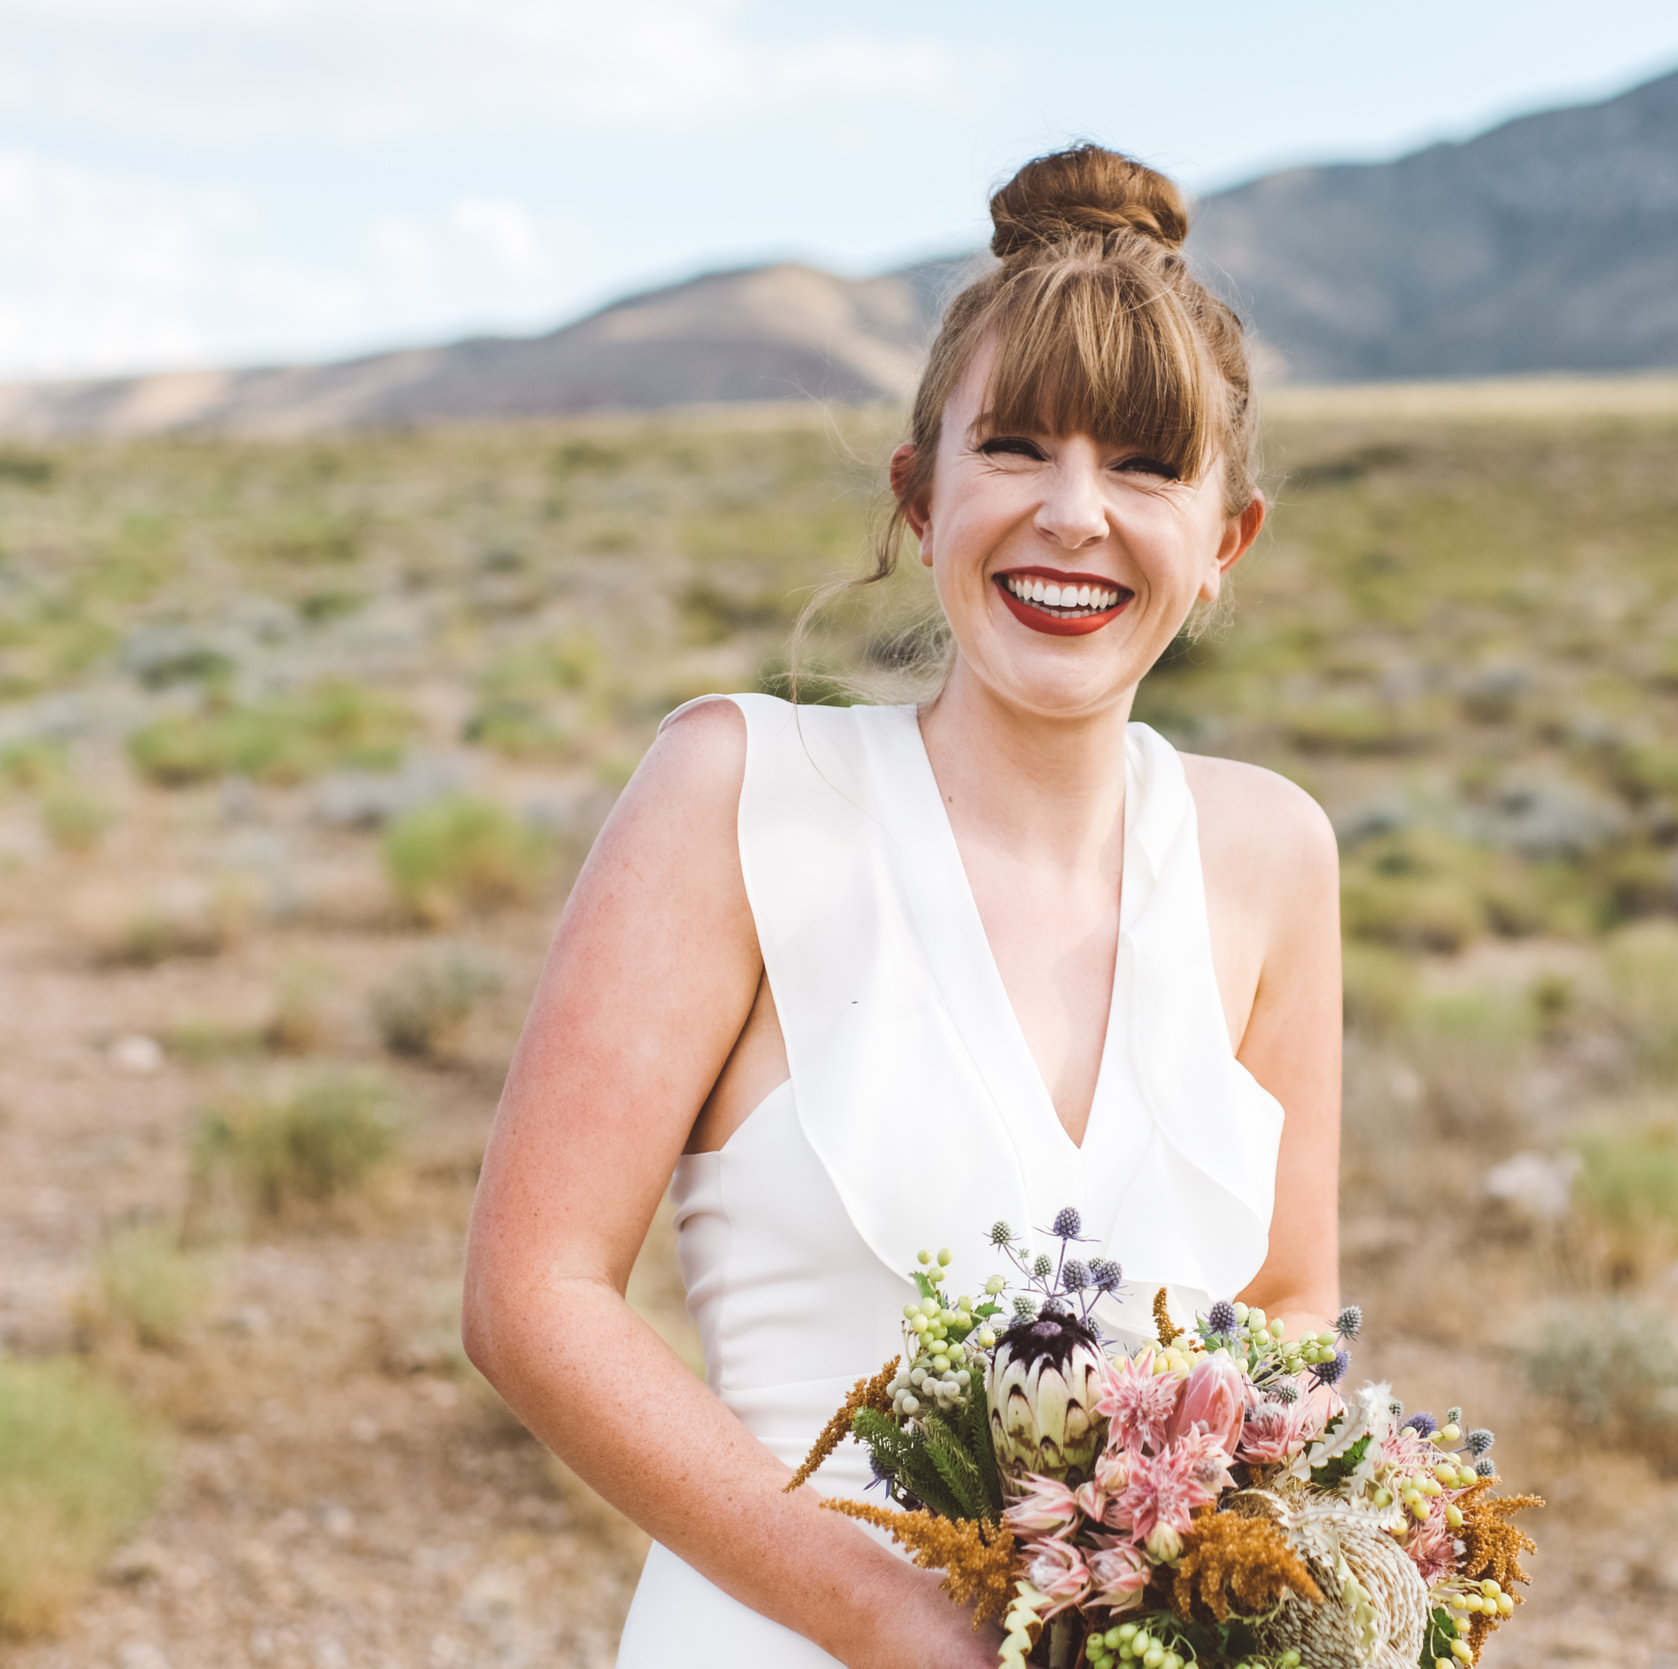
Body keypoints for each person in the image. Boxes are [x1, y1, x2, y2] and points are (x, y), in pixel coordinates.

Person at [461, 144, 1342, 1669]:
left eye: (1143, 465)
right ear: (919, 496)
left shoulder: (1271, 852)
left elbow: (1290, 1297)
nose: (1075, 514)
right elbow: (533, 1294)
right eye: (1013, 448)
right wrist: (900, 1617)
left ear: (1224, 545)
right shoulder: (736, 791)